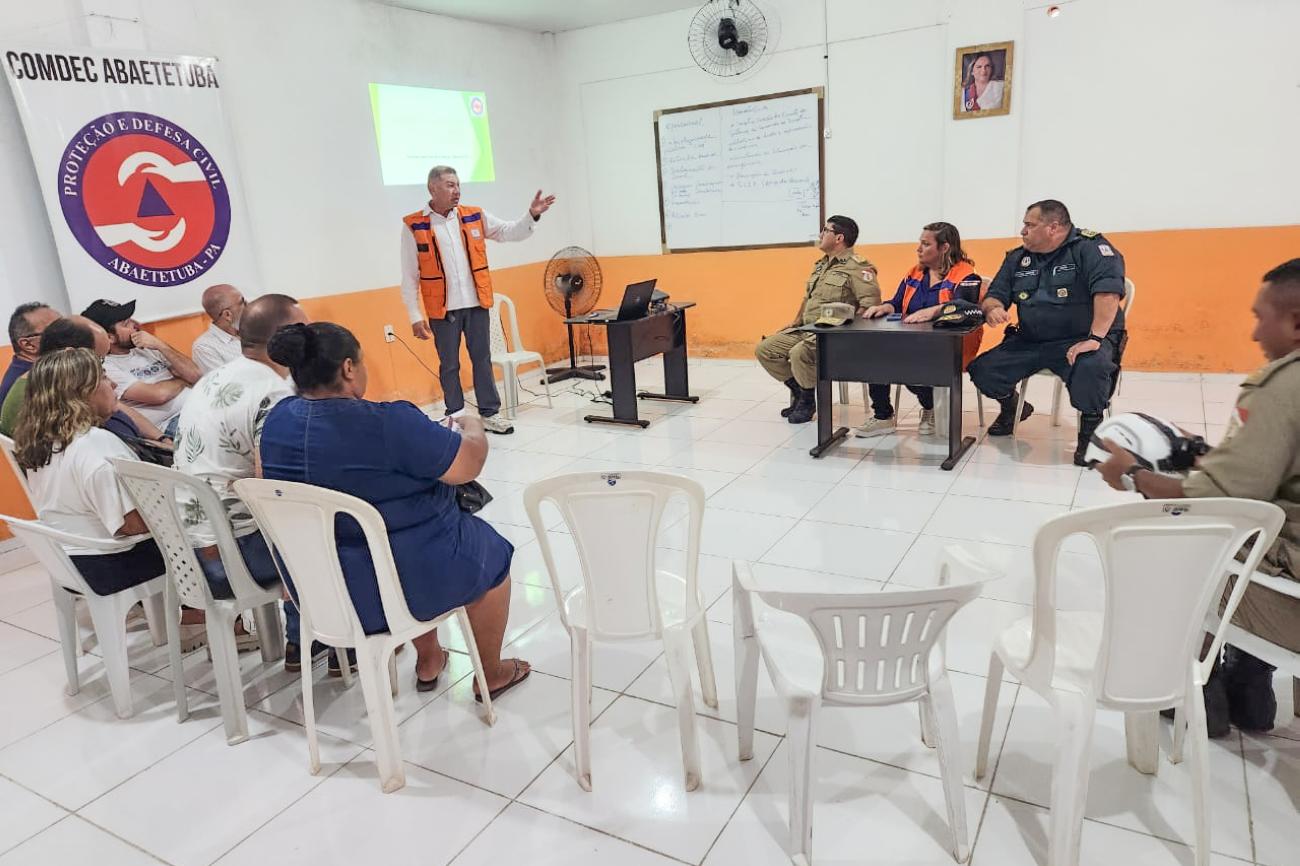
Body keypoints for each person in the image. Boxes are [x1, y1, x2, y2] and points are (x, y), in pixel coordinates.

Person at [259, 322, 531, 698]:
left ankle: (430, 658)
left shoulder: (277, 421)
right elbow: (467, 465)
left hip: (320, 594)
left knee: (405, 542)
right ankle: (492, 672)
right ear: (348, 368)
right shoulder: (388, 422)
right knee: (491, 556)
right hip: (402, 586)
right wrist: (473, 427)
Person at [1095, 259, 1300, 738]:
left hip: (1289, 601)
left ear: (1294, 321)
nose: (1254, 333)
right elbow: (1272, 473)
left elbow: (1218, 499)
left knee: (1183, 541)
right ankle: (1251, 688)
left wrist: (1133, 475)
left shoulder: (1282, 386)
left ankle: (1195, 691)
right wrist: (1208, 454)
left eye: (1260, 317)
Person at [174, 294, 313, 669]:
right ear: (285, 338)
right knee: (333, 527)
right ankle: (310, 642)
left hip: (188, 550)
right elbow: (273, 486)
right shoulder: (272, 392)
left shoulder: (212, 379)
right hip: (234, 556)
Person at [401, 165, 556, 435]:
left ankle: (489, 413)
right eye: (450, 185)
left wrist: (531, 215)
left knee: (482, 359)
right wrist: (415, 316)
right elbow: (409, 276)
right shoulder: (414, 225)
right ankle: (457, 415)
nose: (457, 190)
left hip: (476, 305)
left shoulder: (473, 215)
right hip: (443, 309)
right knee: (449, 364)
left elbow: (509, 232)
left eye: (458, 184)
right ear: (432, 188)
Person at [969, 199, 1126, 464]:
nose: (1023, 231)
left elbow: (1108, 293)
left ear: (1053, 228)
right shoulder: (1018, 258)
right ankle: (1012, 408)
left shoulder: (1091, 248)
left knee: (1090, 367)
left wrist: (1095, 338)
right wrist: (993, 308)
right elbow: (994, 295)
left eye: (1029, 225)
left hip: (1083, 338)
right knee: (983, 369)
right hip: (1033, 339)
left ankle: (1091, 432)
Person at [12, 348, 166, 595]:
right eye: (104, 377)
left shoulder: (40, 441)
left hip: (68, 560)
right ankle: (208, 611)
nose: (114, 383)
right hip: (111, 564)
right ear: (81, 393)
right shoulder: (95, 445)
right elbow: (132, 525)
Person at [857, 222, 985, 437]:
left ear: (944, 248)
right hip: (913, 341)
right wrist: (884, 307)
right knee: (875, 354)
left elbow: (965, 307)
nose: (918, 249)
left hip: (953, 345)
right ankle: (883, 417)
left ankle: (930, 405)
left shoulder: (966, 275)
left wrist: (934, 311)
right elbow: (897, 302)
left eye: (925, 244)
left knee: (909, 364)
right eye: (920, 243)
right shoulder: (915, 273)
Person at [755, 215, 882, 424]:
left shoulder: (858, 266)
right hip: (808, 328)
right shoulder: (821, 265)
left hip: (835, 335)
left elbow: (870, 305)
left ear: (839, 237)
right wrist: (795, 322)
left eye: (825, 230)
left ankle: (806, 401)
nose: (821, 234)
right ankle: (800, 390)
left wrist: (849, 332)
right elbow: (808, 298)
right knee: (765, 349)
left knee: (799, 353)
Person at [0, 316, 170, 449]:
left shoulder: (55, 380)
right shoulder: (46, 397)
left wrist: (161, 439)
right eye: (100, 360)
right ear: (72, 355)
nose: (106, 371)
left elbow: (116, 405)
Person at [82, 298, 201, 439]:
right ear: (110, 337)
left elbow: (195, 375)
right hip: (171, 424)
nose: (135, 325)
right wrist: (182, 380)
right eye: (126, 324)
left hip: (197, 407)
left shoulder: (146, 347)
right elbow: (158, 395)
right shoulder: (105, 366)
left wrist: (160, 345)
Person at [1, 302, 60, 405]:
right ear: (28, 345)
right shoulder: (32, 386)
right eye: (57, 329)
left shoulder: (49, 368)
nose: (69, 332)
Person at [190, 284, 246, 375]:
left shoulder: (255, 329)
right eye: (242, 303)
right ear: (227, 315)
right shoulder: (204, 348)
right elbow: (226, 385)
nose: (248, 306)